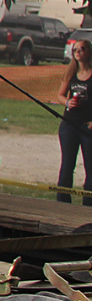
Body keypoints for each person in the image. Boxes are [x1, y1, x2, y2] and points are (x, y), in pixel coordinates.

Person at [56, 37, 92, 205]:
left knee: (90, 168)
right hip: (69, 124)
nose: (78, 52)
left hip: (88, 126)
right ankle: (63, 202)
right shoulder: (71, 73)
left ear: (89, 52)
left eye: (82, 49)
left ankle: (88, 205)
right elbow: (60, 96)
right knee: (67, 165)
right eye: (75, 50)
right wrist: (68, 102)